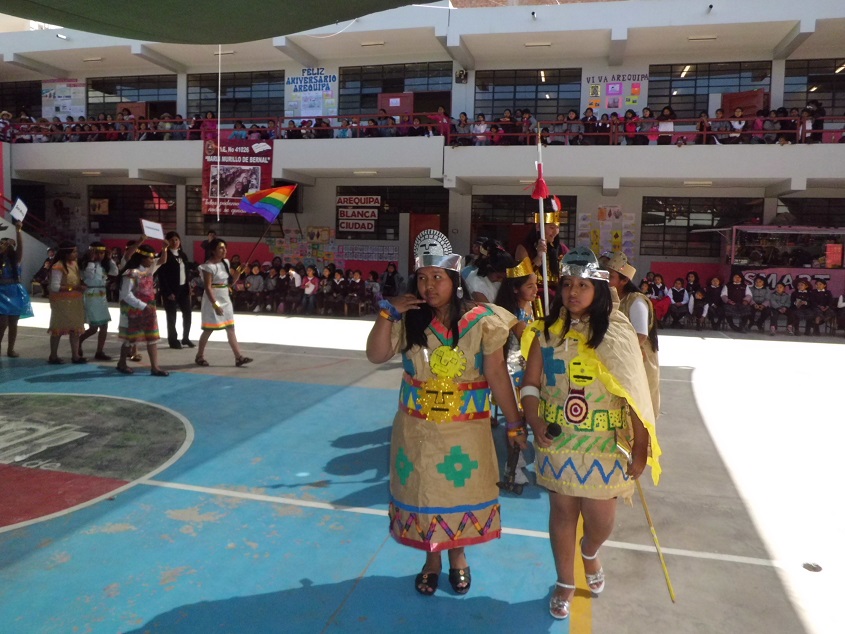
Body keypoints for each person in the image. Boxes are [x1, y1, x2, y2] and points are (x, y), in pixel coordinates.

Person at [365, 229, 522, 596]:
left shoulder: (481, 320)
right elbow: (376, 354)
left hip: (466, 432)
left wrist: (514, 422)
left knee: (458, 493)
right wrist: (387, 313)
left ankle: (458, 556)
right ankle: (432, 560)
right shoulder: (408, 319)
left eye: (438, 277)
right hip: (418, 431)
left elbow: (497, 373)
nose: (429, 286)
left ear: (455, 279)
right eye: (422, 278)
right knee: (425, 493)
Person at [521, 247, 660, 620]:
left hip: (604, 444)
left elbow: (634, 392)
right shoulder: (546, 333)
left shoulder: (617, 332)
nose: (573, 292)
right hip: (557, 440)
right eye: (567, 284)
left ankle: (590, 551)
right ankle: (565, 582)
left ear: (599, 289)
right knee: (562, 512)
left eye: (583, 285)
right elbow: (530, 383)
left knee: (600, 521)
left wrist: (641, 445)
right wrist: (534, 421)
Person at [605, 252, 660, 419]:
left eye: (611, 277)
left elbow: (641, 335)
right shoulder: (610, 299)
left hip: (638, 360)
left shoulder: (636, 301)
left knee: (638, 405)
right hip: (620, 360)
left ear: (624, 281)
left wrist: (621, 354)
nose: (606, 280)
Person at [194, 239, 252, 367]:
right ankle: (199, 356)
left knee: (230, 328)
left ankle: (238, 357)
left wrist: (239, 270)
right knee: (208, 329)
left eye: (225, 248)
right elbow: (208, 287)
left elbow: (230, 283)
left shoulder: (225, 262)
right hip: (212, 300)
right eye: (221, 248)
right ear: (213, 251)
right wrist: (215, 304)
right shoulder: (208, 266)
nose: (224, 250)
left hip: (225, 298)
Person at [115, 244, 169, 376]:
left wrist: (164, 248)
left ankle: (155, 367)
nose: (152, 260)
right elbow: (125, 295)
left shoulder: (148, 270)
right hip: (133, 310)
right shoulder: (131, 273)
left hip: (148, 309)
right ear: (142, 258)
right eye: (150, 258)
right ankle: (122, 363)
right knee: (130, 339)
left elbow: (162, 260)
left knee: (152, 337)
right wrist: (142, 305)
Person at [514, 207, 568, 299]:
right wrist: (538, 258)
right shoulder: (524, 248)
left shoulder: (562, 249)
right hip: (533, 298)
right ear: (538, 226)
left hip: (557, 298)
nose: (555, 232)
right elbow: (520, 280)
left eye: (557, 227)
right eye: (551, 227)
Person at [48, 242, 87, 364]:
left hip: (75, 302)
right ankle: (53, 356)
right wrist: (74, 288)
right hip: (61, 303)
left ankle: (75, 356)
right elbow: (55, 287)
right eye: (74, 252)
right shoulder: (58, 266)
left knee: (75, 330)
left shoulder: (75, 264)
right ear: (66, 253)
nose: (76, 254)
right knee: (58, 329)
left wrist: (80, 286)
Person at [78, 242, 118, 360]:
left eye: (102, 253)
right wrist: (91, 261)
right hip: (90, 295)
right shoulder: (85, 264)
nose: (100, 255)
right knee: (94, 327)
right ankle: (78, 341)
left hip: (101, 296)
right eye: (97, 253)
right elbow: (90, 276)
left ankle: (99, 351)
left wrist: (110, 259)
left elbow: (115, 272)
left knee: (104, 325)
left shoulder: (104, 264)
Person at [0, 221, 34, 357]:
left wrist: (18, 231)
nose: (4, 246)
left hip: (14, 292)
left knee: (13, 323)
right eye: (2, 243)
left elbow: (20, 247)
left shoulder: (16, 260)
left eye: (7, 244)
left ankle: (10, 349)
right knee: (2, 324)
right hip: (1, 293)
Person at [157, 231, 194, 348]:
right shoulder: (164, 255)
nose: (174, 242)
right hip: (170, 290)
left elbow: (186, 272)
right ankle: (173, 340)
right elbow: (162, 276)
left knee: (187, 313)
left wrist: (188, 286)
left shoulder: (183, 255)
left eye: (176, 240)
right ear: (167, 241)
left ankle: (186, 338)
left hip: (183, 289)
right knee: (172, 316)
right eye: (171, 240)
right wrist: (167, 292)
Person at [465, 239, 514, 303]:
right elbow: (490, 309)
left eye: (504, 278)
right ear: (489, 268)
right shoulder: (476, 286)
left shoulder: (496, 279)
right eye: (499, 277)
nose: (500, 280)